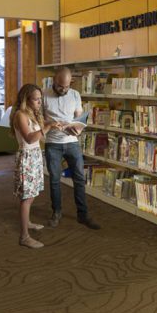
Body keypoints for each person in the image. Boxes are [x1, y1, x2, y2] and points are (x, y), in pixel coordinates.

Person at [42, 67, 100, 229]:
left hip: (72, 142)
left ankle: (83, 214)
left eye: (67, 86)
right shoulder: (44, 94)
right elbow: (39, 120)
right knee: (54, 180)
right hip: (53, 143)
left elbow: (80, 116)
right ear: (54, 80)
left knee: (80, 178)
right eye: (61, 86)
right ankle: (57, 212)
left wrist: (78, 128)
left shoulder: (74, 94)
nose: (64, 89)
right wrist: (51, 124)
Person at [11, 84, 54, 249]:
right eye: (36, 99)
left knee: (33, 192)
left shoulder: (32, 115)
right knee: (27, 198)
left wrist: (52, 126)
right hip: (27, 157)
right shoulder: (20, 115)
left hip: (35, 156)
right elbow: (29, 138)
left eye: (40, 99)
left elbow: (39, 139)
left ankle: (27, 222)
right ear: (25, 99)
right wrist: (47, 127)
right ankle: (24, 236)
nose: (39, 102)